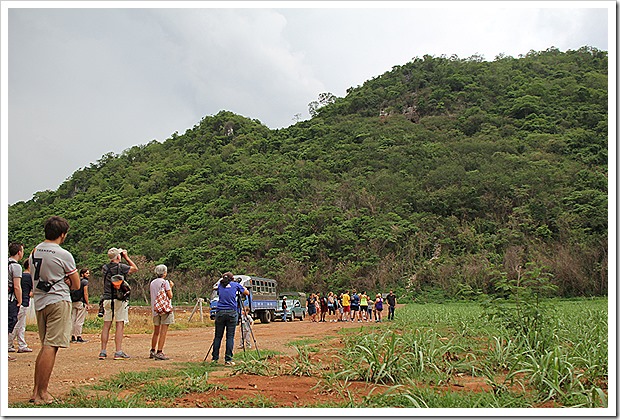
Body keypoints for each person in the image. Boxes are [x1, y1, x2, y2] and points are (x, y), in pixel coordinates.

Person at [28, 216, 80, 404]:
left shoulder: (34, 252)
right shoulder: (63, 254)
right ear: (62, 234)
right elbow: (76, 284)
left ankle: (35, 391)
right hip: (58, 300)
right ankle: (43, 393)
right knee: (52, 346)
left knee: (45, 346)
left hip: (40, 303)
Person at [99, 247, 138, 360]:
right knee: (119, 324)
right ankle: (118, 351)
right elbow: (135, 268)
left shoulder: (105, 268)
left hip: (107, 298)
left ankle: (103, 351)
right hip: (119, 299)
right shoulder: (122, 267)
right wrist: (126, 257)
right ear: (118, 256)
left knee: (106, 325)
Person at [211, 272, 249, 366]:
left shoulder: (220, 285)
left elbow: (219, 292)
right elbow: (246, 293)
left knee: (218, 336)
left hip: (220, 312)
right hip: (231, 312)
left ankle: (214, 358)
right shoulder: (236, 285)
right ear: (232, 279)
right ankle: (228, 359)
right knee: (230, 337)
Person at [9, 257, 33, 354]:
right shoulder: (30, 277)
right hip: (23, 302)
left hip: (16, 301)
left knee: (19, 325)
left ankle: (21, 344)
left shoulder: (20, 275)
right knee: (17, 325)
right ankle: (9, 344)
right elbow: (31, 292)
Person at [149, 264, 174, 360]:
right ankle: (160, 351)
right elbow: (170, 295)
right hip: (165, 309)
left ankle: (152, 350)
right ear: (164, 273)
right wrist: (171, 287)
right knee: (163, 331)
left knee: (156, 331)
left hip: (155, 309)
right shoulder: (165, 282)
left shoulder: (152, 283)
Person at [8, 242, 24, 362]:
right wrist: (20, 300)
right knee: (9, 324)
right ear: (19, 252)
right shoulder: (16, 267)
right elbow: (17, 286)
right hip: (11, 299)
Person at [70, 268, 90, 343]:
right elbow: (85, 293)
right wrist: (87, 303)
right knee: (79, 320)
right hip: (80, 302)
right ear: (82, 274)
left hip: (73, 301)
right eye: (87, 273)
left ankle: (72, 336)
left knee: (73, 319)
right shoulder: (85, 282)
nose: (88, 275)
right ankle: (78, 336)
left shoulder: (75, 281)